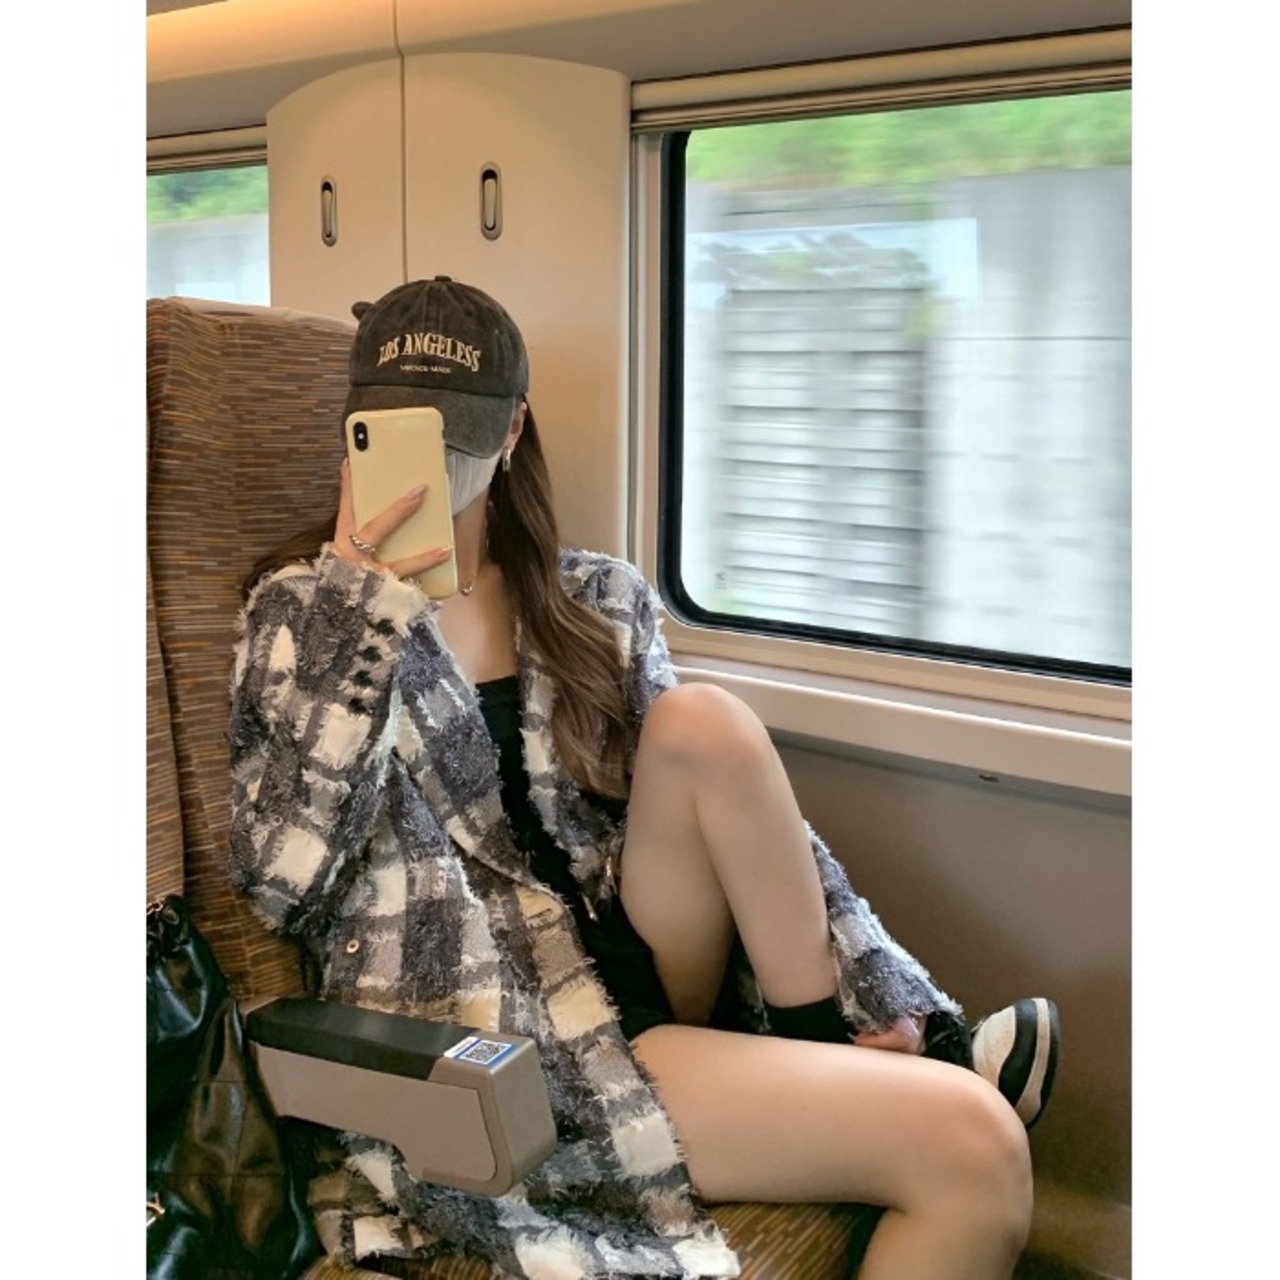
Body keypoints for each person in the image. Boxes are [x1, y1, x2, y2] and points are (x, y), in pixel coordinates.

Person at [229, 275, 1060, 1280]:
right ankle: (897, 1071)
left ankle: (842, 1036)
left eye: (456, 433)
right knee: (975, 1145)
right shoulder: (300, 613)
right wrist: (360, 613)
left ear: (511, 430)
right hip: (505, 1036)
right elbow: (282, 881)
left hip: (639, 960)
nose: (433, 463)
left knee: (706, 720)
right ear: (356, 430)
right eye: (401, 431)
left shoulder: (594, 598)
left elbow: (739, 828)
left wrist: (874, 984)